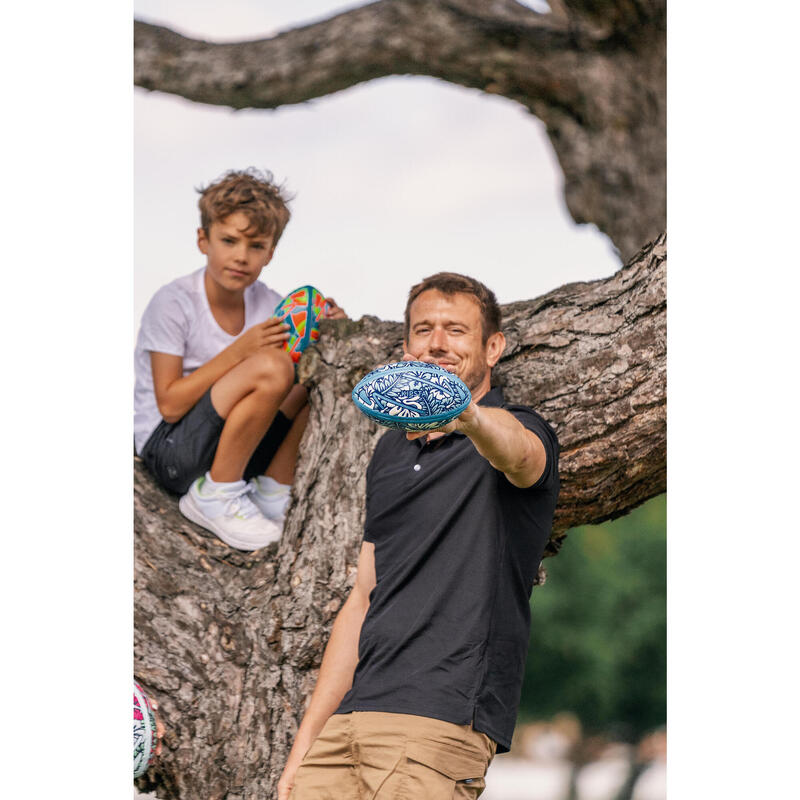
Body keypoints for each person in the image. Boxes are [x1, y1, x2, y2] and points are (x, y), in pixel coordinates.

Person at [278, 273, 560, 799]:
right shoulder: (388, 452)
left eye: (456, 330)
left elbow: (519, 456)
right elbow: (363, 598)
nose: (437, 343)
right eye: (424, 329)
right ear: (406, 347)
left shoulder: (516, 429)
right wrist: (305, 746)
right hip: (350, 723)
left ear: (492, 347)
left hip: (439, 718)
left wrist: (467, 416)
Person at [134, 168, 346, 551]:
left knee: (314, 375)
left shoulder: (269, 303)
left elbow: (300, 378)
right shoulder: (174, 302)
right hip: (171, 452)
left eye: (255, 246)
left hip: (238, 448)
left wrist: (334, 333)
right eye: (228, 240)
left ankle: (271, 490)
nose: (240, 257)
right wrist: (239, 351)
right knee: (272, 366)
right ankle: (214, 497)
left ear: (271, 252)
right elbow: (169, 405)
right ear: (203, 240)